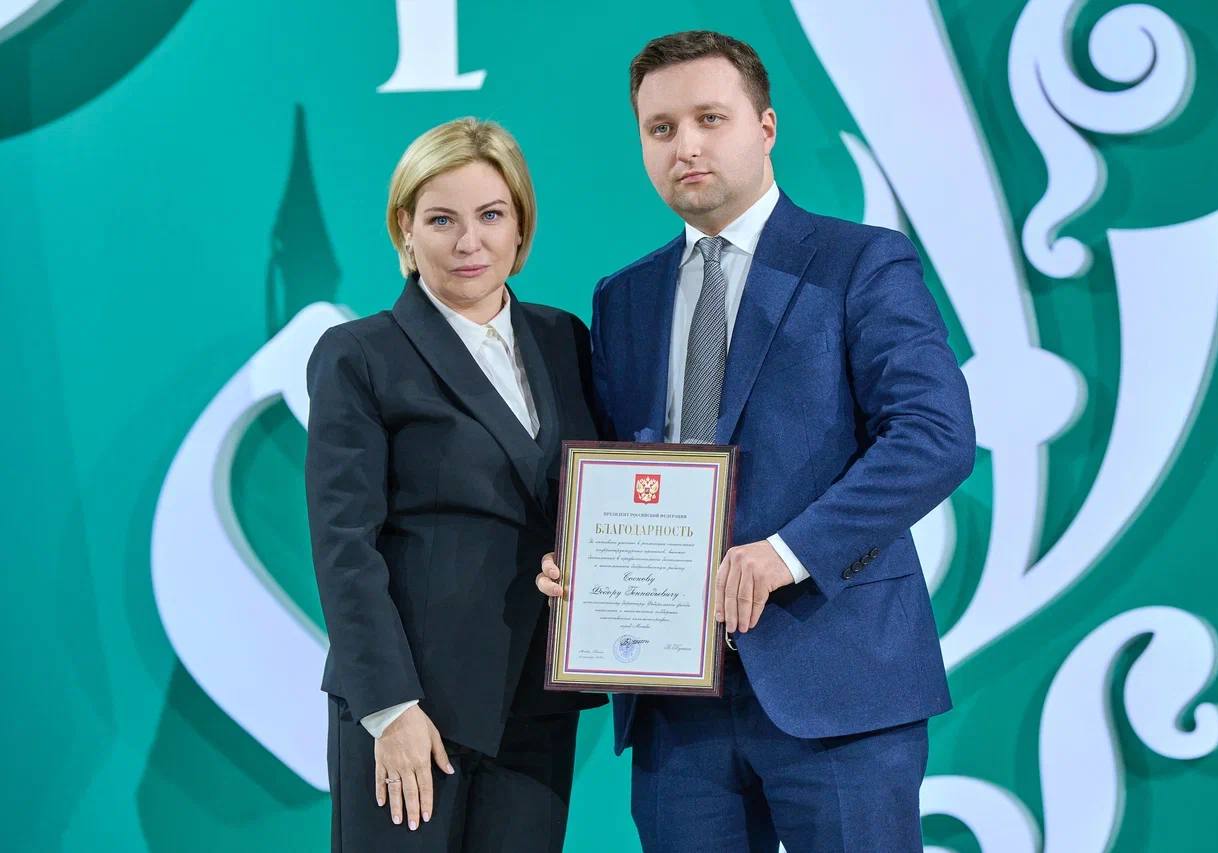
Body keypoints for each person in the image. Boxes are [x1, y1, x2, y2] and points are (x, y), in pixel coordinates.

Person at [536, 31, 976, 852]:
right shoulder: (624, 297)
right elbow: (622, 468)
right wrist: (579, 557)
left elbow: (935, 434)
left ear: (766, 126)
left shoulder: (860, 262)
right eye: (661, 128)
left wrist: (786, 552)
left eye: (710, 118)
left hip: (838, 682)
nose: (686, 145)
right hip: (675, 700)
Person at [306, 117, 604, 853]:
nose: (469, 241)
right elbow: (344, 546)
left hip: (537, 701)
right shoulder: (360, 354)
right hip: (415, 710)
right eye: (442, 219)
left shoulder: (565, 339)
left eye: (491, 215)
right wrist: (389, 708)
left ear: (521, 226)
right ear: (405, 229)